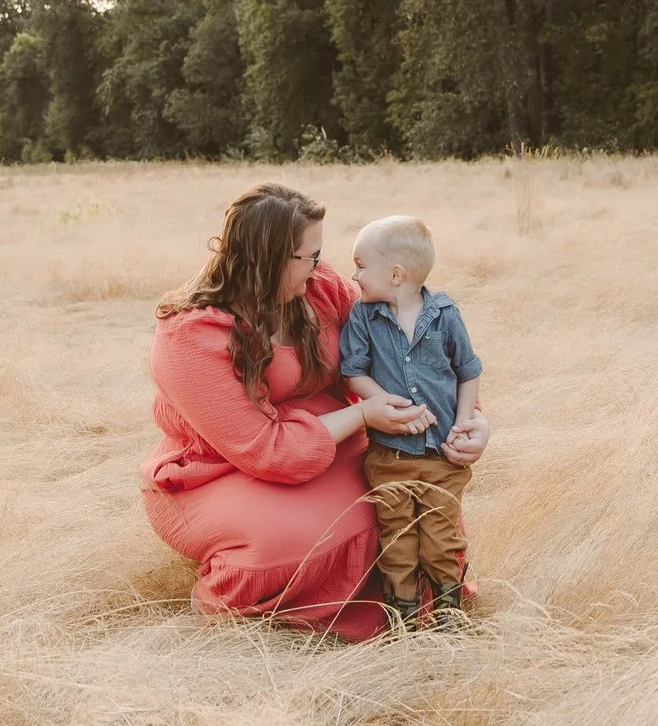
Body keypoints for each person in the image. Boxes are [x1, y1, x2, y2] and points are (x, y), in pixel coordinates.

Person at [142, 183, 486, 640]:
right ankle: (227, 601)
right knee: (293, 542)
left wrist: (472, 421)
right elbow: (267, 451)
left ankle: (416, 607)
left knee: (411, 492)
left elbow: (417, 356)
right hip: (222, 467)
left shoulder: (320, 290)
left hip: (329, 442)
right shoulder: (189, 338)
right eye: (311, 256)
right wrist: (363, 417)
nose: (322, 267)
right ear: (271, 261)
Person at [338, 215, 484, 629]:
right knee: (398, 541)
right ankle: (401, 618)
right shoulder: (364, 317)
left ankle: (449, 616)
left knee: (441, 539)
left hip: (442, 457)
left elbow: (467, 370)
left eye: (361, 265)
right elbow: (353, 371)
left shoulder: (444, 314)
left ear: (396, 274)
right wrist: (384, 404)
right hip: (390, 456)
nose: (354, 275)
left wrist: (463, 423)